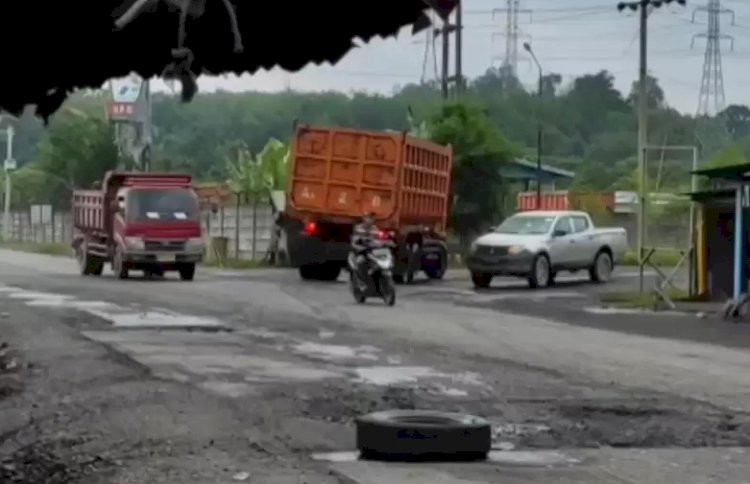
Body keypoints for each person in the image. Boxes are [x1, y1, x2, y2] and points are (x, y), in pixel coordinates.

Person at [351, 213, 380, 278]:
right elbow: (354, 241)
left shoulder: (375, 229)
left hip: (372, 251)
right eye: (368, 218)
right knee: (358, 263)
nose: (370, 220)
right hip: (361, 250)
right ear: (364, 218)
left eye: (372, 218)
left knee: (378, 263)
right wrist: (359, 245)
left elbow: (378, 240)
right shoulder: (358, 228)